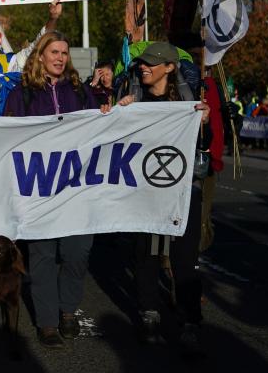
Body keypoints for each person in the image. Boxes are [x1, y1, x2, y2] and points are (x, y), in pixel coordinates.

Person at [2, 30, 99, 348]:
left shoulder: (79, 91)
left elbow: (98, 127)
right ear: (40, 55)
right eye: (54, 52)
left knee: (76, 252)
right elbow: (6, 135)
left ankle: (68, 310)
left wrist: (110, 113)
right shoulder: (22, 94)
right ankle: (46, 323)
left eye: (64, 52)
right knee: (42, 255)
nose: (60, 58)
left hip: (75, 188)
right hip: (39, 189)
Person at [113, 41, 211, 356]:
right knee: (146, 253)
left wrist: (204, 122)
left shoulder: (188, 102)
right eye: (142, 63)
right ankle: (149, 315)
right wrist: (118, 113)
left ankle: (190, 323)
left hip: (183, 191)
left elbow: (203, 144)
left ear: (169, 68)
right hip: (146, 191)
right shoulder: (134, 99)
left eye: (151, 63)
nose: (144, 67)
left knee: (185, 260)